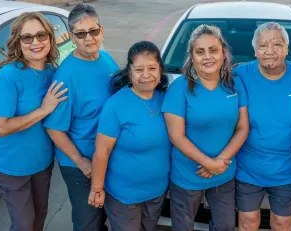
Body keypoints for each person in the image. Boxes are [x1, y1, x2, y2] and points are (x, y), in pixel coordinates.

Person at [162, 24, 249, 231]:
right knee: (183, 227)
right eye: (200, 52)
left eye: (213, 50)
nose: (207, 56)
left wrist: (219, 162)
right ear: (192, 56)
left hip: (223, 172)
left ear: (223, 52)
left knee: (226, 225)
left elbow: (242, 128)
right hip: (187, 176)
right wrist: (208, 163)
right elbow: (177, 136)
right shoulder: (179, 88)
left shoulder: (235, 84)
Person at [43, 4, 119, 231]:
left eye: (93, 31)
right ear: (72, 38)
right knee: (88, 223)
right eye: (81, 33)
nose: (89, 38)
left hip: (106, 157)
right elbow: (54, 128)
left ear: (101, 31)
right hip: (81, 165)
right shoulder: (65, 77)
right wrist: (82, 162)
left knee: (105, 215)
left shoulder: (106, 59)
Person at [0, 12, 67, 231]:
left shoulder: (52, 72)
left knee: (40, 217)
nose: (35, 42)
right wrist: (43, 109)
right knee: (24, 224)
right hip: (12, 167)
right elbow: (2, 127)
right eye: (27, 37)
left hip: (42, 163)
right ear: (18, 41)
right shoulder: (8, 76)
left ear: (50, 38)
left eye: (41, 35)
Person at [88, 41, 171, 231]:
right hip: (124, 194)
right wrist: (96, 189)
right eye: (139, 69)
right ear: (130, 72)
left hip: (157, 191)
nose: (146, 75)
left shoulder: (166, 98)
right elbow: (102, 151)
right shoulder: (115, 105)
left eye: (152, 68)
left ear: (160, 70)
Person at [232, 22, 291, 231]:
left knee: (282, 223)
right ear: (255, 51)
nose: (269, 52)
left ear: (287, 49)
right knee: (247, 222)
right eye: (263, 46)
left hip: (287, 167)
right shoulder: (240, 74)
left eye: (277, 44)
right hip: (248, 167)